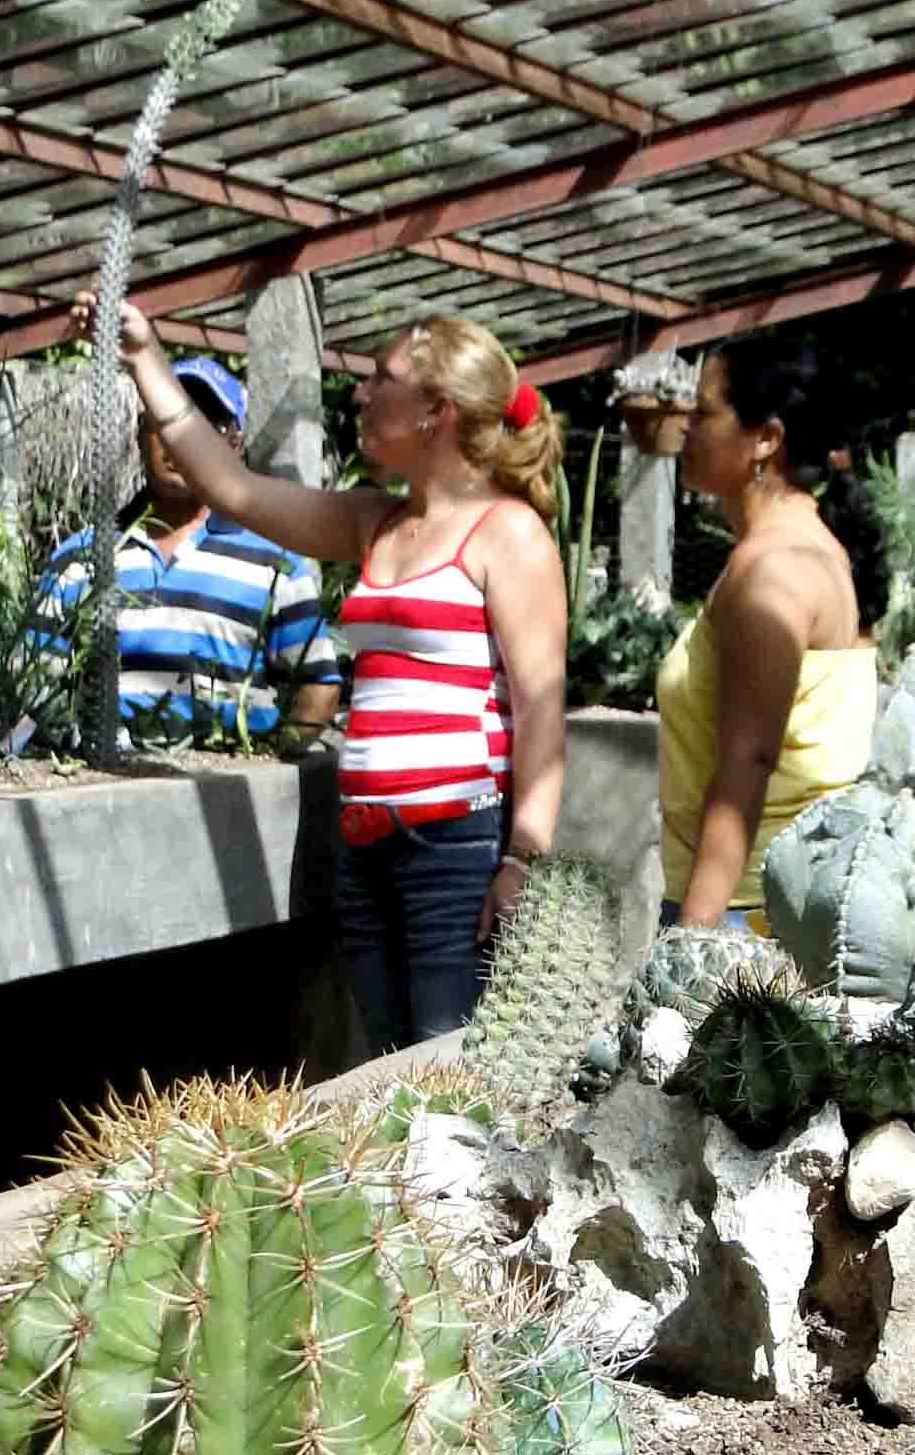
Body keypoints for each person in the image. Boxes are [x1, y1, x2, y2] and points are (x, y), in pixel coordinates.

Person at [67, 294, 567, 1056]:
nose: (360, 393)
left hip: (456, 847)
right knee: (393, 1069)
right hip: (366, 847)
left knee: (449, 1071)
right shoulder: (377, 521)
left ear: (435, 409)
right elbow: (234, 490)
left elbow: (539, 709)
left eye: (380, 377)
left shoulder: (510, 533)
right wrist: (143, 358)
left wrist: (522, 857)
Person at [658, 337, 888, 930]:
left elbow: (747, 765)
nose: (685, 426)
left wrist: (693, 939)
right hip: (768, 908)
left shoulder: (774, 573)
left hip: (742, 918)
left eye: (705, 412)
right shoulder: (796, 551)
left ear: (767, 438)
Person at [29, 356, 340, 752]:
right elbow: (33, 682)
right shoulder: (82, 558)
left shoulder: (273, 563)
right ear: (142, 433)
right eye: (166, 423)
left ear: (233, 446)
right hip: (103, 784)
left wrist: (270, 759)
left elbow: (319, 683)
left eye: (206, 428)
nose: (181, 442)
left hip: (228, 794)